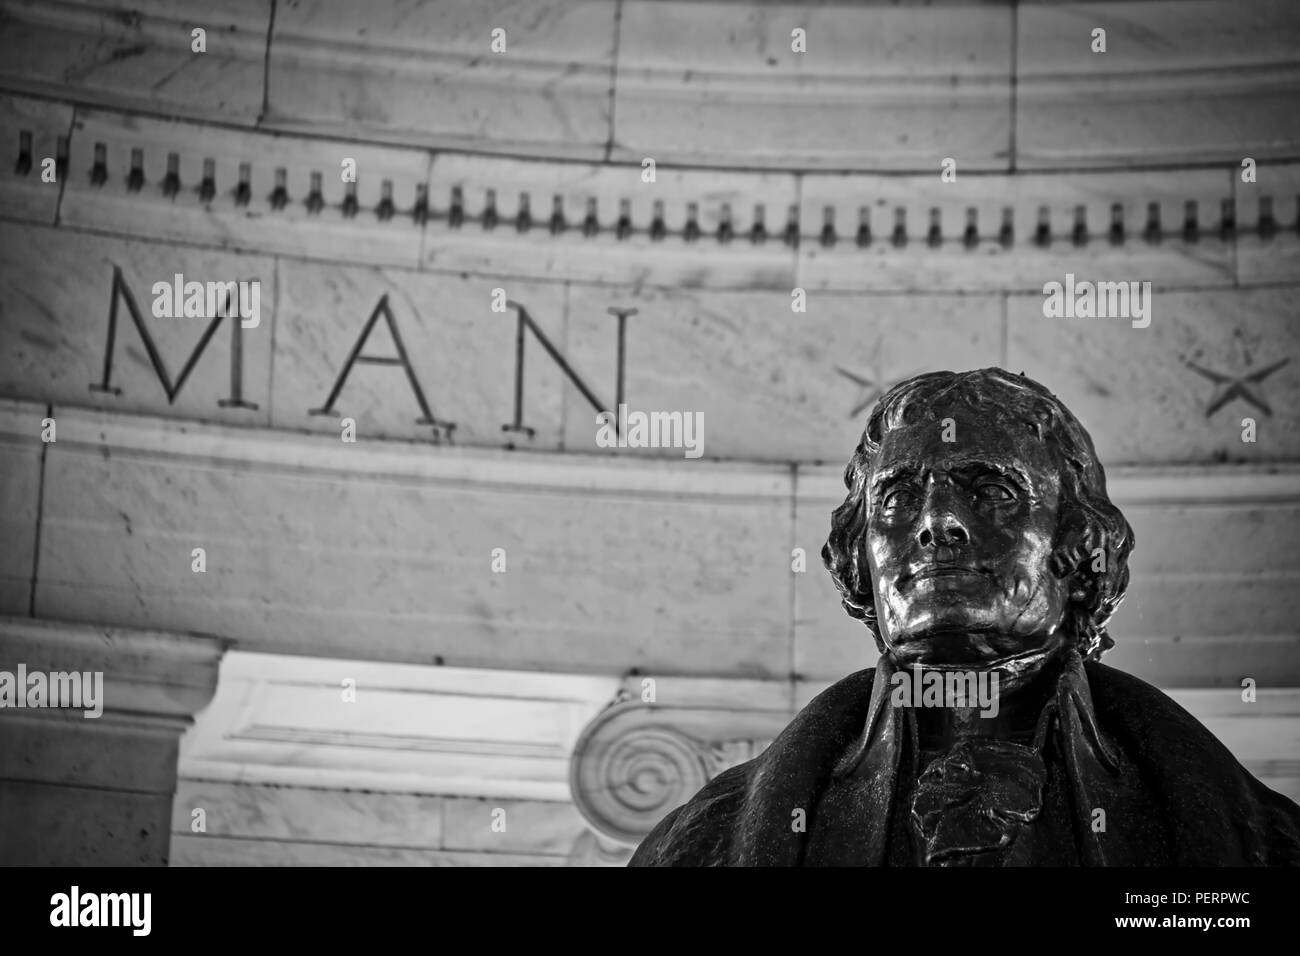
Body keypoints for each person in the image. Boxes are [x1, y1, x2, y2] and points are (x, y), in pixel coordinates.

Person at [629, 368, 1300, 866]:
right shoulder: (704, 845)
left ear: (1077, 547)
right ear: (857, 558)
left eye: (992, 491)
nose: (939, 522)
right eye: (897, 497)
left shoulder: (1269, 847)